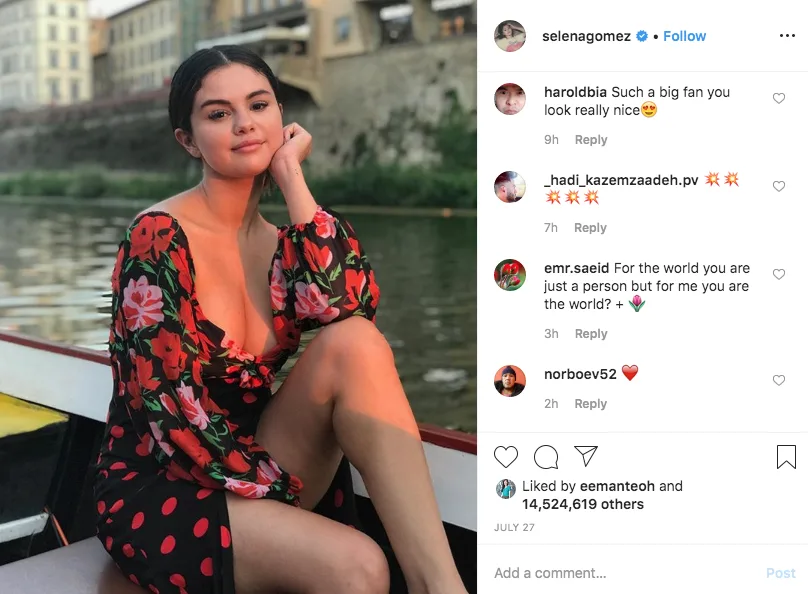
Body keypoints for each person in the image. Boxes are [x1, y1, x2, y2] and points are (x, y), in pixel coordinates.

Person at [93, 45, 469, 594]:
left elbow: (349, 306)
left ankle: (442, 587)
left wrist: (291, 176)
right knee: (359, 565)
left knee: (355, 341)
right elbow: (171, 417)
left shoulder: (283, 245)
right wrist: (279, 492)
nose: (245, 124)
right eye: (218, 114)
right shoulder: (157, 237)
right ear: (188, 140)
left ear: (281, 116)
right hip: (166, 481)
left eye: (258, 105)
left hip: (256, 457)